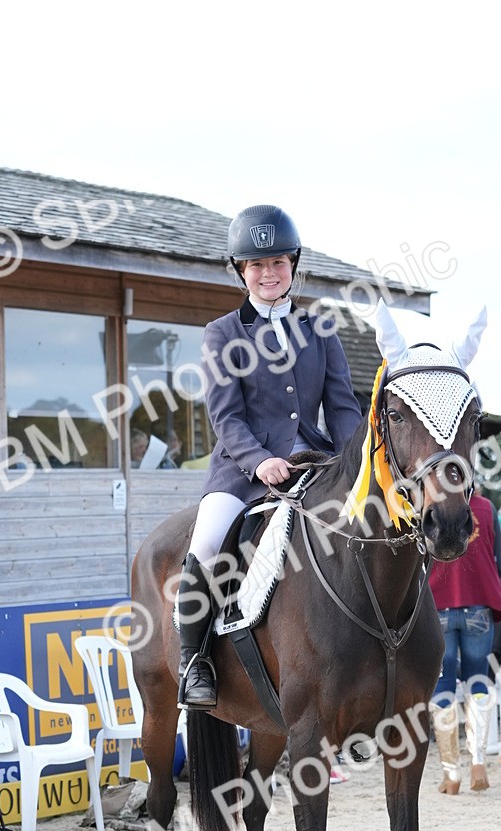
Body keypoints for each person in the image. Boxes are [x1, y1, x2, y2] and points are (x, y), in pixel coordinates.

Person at [177, 203, 362, 708]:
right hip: (244, 471)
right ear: (241, 271)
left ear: (293, 266)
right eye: (257, 265)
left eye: (278, 263)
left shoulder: (320, 330)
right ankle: (194, 662)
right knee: (208, 542)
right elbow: (226, 416)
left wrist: (354, 462)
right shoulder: (222, 333)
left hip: (316, 465)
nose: (268, 273)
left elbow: (343, 408)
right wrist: (258, 460)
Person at [428, 489, 501, 793]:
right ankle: (478, 761)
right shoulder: (486, 508)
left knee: (443, 686)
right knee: (478, 680)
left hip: (439, 606)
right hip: (479, 605)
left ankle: (451, 773)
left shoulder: (430, 507)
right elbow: (500, 560)